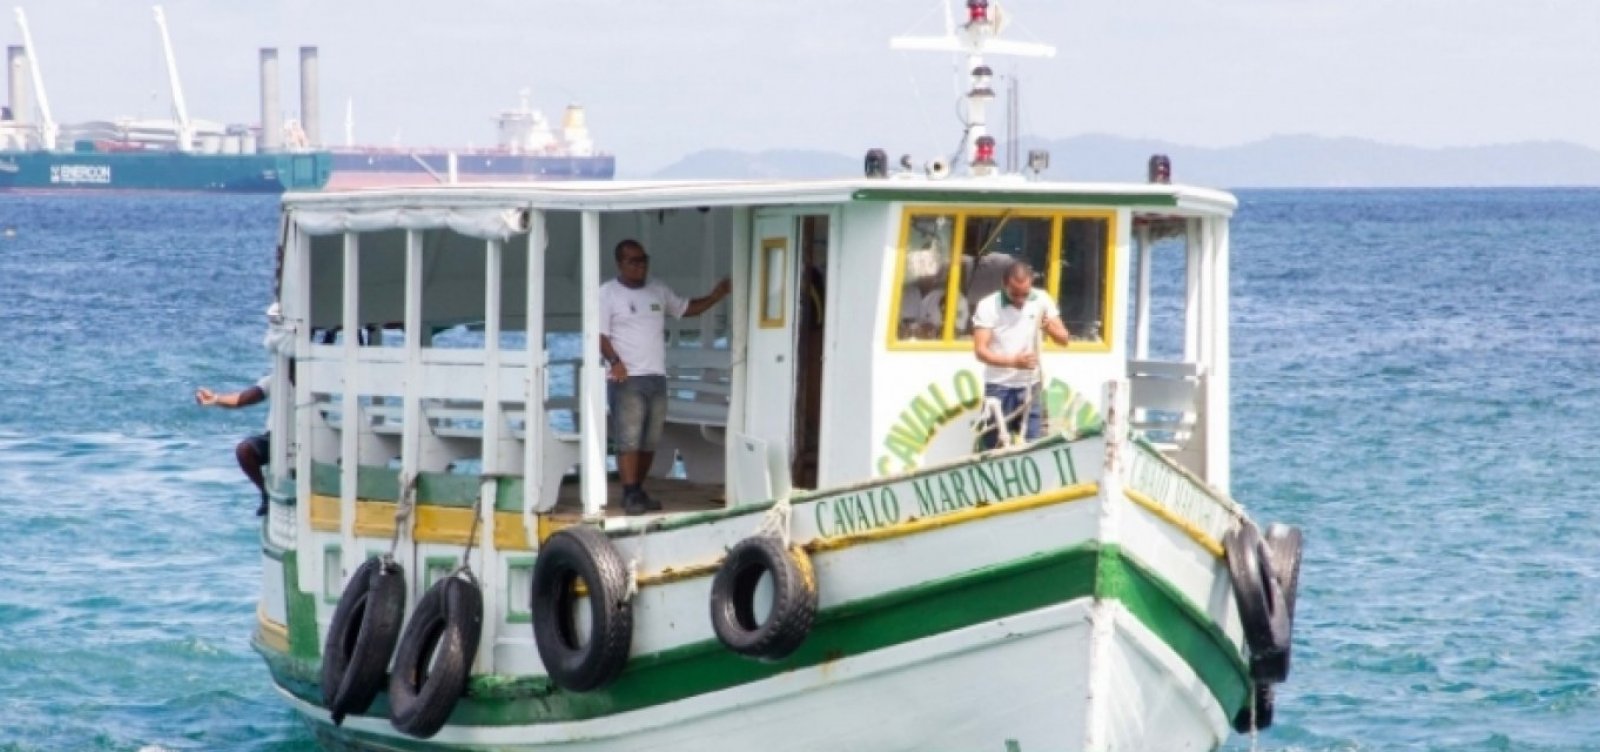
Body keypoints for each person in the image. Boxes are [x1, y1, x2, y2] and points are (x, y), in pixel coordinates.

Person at [600, 239, 732, 515]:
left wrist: (718, 294)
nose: (640, 266)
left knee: (650, 439)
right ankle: (628, 493)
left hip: (656, 376)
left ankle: (638, 488)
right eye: (633, 261)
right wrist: (615, 361)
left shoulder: (657, 289)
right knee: (629, 439)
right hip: (627, 379)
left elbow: (687, 309)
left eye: (643, 259)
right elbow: (599, 335)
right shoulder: (608, 294)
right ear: (620, 264)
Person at [971, 260, 1070, 450]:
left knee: (1036, 446)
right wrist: (1013, 362)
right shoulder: (988, 306)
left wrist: (1048, 326)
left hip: (1031, 386)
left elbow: (1064, 339)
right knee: (994, 448)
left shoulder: (1041, 299)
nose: (1020, 300)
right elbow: (980, 351)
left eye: (1025, 294)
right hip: (998, 387)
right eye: (1014, 294)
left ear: (1031, 284)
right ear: (1004, 283)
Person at [195, 374, 274, 516]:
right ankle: (266, 493)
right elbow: (243, 399)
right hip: (276, 439)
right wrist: (215, 399)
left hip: (308, 439)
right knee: (244, 450)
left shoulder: (318, 378)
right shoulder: (276, 380)